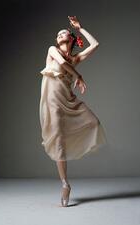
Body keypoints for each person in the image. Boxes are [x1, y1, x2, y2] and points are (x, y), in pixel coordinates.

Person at [39, 16, 107, 207]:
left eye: (64, 32)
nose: (60, 35)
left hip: (68, 99)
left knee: (93, 122)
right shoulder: (52, 50)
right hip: (52, 99)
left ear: (70, 38)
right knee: (58, 139)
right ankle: (65, 184)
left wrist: (80, 27)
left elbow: (95, 44)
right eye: (58, 34)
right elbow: (61, 64)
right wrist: (78, 75)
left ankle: (78, 147)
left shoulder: (75, 58)